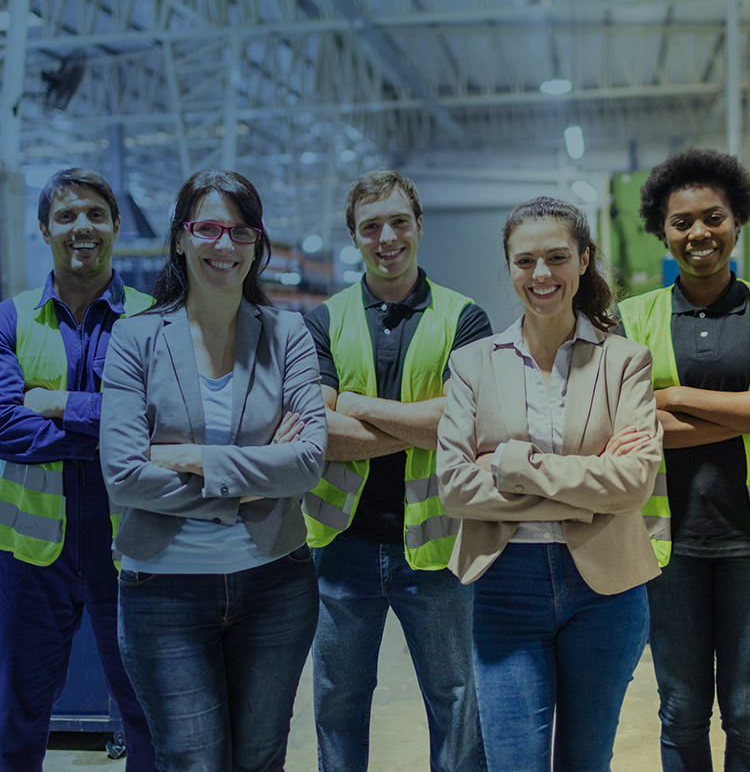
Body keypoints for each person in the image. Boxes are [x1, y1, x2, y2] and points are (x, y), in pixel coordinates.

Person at [99, 169, 326, 772]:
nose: (224, 246)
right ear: (180, 239)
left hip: (275, 584)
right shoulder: (136, 339)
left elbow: (306, 462)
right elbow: (123, 476)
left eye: (240, 231)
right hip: (162, 591)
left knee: (260, 758)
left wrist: (192, 459)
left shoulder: (288, 335)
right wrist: (253, 483)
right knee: (193, 761)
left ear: (257, 243)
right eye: (207, 229)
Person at [436, 195, 664, 772]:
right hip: (504, 583)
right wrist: (591, 485)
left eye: (557, 258)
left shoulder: (625, 362)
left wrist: (514, 463)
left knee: (587, 761)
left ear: (584, 260)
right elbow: (455, 487)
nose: (542, 275)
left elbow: (634, 482)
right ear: (509, 267)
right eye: (525, 261)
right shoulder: (472, 364)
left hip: (606, 591)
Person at [618, 147, 750, 772]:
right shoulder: (632, 318)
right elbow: (629, 428)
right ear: (662, 230)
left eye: (713, 217)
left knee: (749, 714)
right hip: (664, 543)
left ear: (736, 221)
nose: (699, 233)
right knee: (679, 710)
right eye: (682, 222)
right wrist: (747, 404)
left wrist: (672, 396)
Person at [303, 169, 491, 772]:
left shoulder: (465, 318)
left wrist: (353, 405)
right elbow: (318, 434)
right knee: (338, 702)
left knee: (457, 700)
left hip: (436, 548)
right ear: (354, 237)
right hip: (341, 547)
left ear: (418, 228)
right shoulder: (323, 320)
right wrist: (423, 424)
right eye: (370, 226)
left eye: (398, 221)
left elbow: (461, 427)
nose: (387, 236)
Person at [0, 168, 156, 771]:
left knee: (147, 713)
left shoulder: (154, 318)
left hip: (133, 549)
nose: (81, 227)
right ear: (45, 229)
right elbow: (6, 428)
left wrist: (62, 404)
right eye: (65, 216)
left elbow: (166, 423)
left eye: (94, 214)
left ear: (116, 226)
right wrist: (116, 428)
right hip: (31, 559)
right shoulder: (10, 320)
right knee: (17, 716)